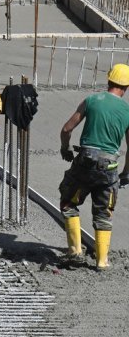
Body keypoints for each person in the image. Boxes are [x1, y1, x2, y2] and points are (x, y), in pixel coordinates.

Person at [58, 63, 129, 271]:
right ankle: (102, 261)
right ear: (126, 87)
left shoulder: (92, 100)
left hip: (85, 163)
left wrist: (65, 149)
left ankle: (75, 251)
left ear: (109, 81)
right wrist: (125, 173)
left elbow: (66, 129)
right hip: (110, 167)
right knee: (104, 212)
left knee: (69, 202)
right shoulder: (127, 110)